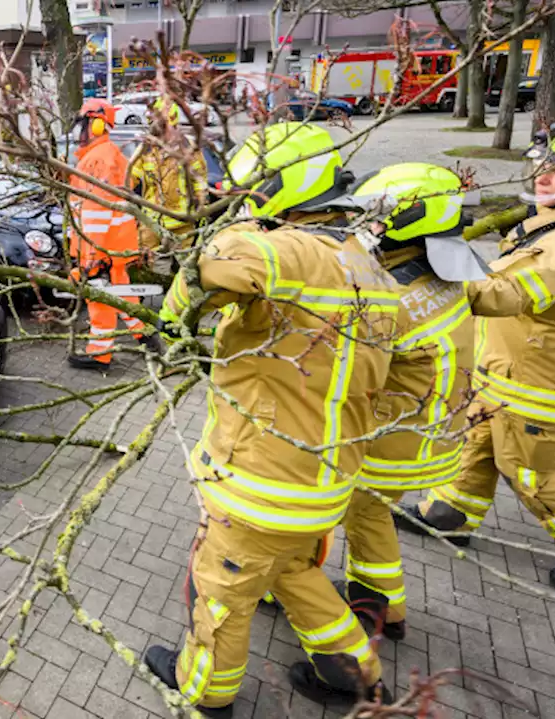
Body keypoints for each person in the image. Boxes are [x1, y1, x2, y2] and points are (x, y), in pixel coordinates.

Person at [144, 122, 395, 715]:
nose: (246, 205)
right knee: (297, 576)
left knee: (222, 594)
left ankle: (205, 690)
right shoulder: (369, 268)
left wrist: (173, 317)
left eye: (252, 192)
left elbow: (219, 264)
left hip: (262, 482)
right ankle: (353, 675)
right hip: (322, 481)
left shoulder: (290, 249)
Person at [395, 116, 555, 598]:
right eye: (543, 164)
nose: (544, 175)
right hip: (508, 372)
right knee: (479, 441)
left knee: (531, 474)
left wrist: (430, 273)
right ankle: (449, 513)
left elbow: (507, 292)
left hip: (538, 383)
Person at [315, 163, 486, 641]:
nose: (366, 227)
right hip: (431, 429)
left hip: (396, 438)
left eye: (375, 218)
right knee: (374, 516)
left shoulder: (391, 300)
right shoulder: (440, 275)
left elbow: (343, 372)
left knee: (361, 515)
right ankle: (387, 608)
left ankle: (371, 612)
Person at [67, 98, 158, 369]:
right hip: (116, 246)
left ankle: (100, 354)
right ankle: (146, 336)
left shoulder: (98, 160)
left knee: (101, 302)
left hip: (101, 249)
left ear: (95, 125)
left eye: (82, 123)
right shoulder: (111, 156)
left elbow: (96, 213)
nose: (77, 131)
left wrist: (90, 258)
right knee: (122, 295)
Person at [126, 97, 208, 254]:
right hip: (151, 222)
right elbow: (131, 178)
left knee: (182, 268)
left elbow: (200, 180)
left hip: (182, 223)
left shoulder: (188, 149)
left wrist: (200, 207)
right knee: (151, 265)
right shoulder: (147, 149)